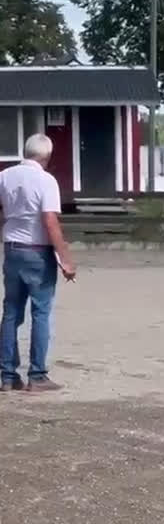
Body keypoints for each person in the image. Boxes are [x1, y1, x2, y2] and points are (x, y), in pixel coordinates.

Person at [0, 133, 76, 394]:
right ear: (47, 156)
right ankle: (37, 375)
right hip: (37, 252)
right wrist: (65, 259)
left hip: (12, 249)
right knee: (41, 312)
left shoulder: (4, 176)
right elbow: (50, 221)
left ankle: (7, 375)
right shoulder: (46, 181)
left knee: (11, 313)